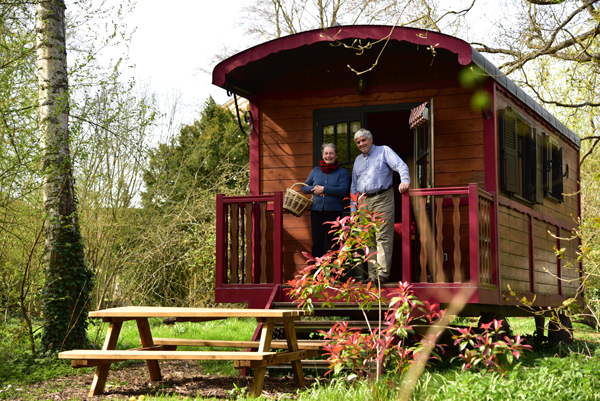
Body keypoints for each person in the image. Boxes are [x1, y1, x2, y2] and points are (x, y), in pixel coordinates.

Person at [350, 128, 410, 285]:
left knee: (382, 236)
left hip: (383, 197)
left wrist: (405, 181)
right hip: (363, 201)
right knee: (368, 238)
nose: (361, 144)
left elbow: (400, 165)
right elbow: (354, 186)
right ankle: (372, 275)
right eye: (358, 142)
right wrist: (353, 208)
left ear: (370, 139)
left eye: (363, 140)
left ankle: (382, 274)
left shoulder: (384, 151)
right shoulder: (357, 160)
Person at [302, 143, 350, 259]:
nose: (329, 156)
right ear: (323, 155)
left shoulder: (342, 172)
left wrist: (324, 189)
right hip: (316, 212)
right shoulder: (315, 171)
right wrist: (314, 189)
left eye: (331, 153)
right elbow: (304, 187)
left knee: (334, 244)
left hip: (334, 212)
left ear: (336, 155)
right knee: (317, 244)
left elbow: (343, 190)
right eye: (326, 153)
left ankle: (335, 274)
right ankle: (317, 274)